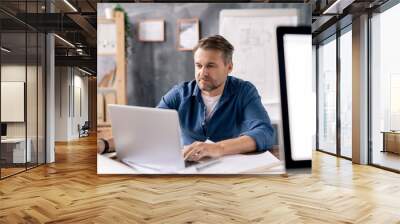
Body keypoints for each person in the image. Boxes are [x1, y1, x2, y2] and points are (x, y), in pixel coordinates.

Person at [98, 35, 275, 162]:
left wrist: (218, 148)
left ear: (229, 67)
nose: (203, 73)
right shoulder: (180, 93)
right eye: (198, 65)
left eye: (211, 66)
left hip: (229, 172)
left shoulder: (244, 91)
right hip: (187, 170)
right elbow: (148, 129)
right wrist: (105, 145)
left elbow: (265, 133)